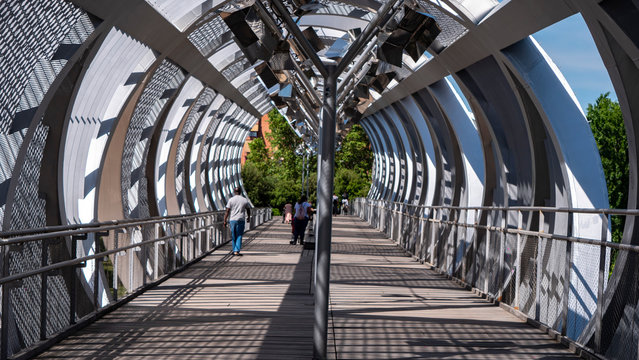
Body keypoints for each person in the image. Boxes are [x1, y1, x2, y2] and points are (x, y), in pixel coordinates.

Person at [223, 187, 251, 256]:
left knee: (233, 235)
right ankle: (236, 250)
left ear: (234, 192)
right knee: (239, 235)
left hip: (232, 220)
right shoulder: (244, 200)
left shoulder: (231, 200)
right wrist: (248, 217)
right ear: (241, 192)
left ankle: (234, 250)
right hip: (241, 219)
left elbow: (227, 211)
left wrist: (225, 220)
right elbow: (248, 209)